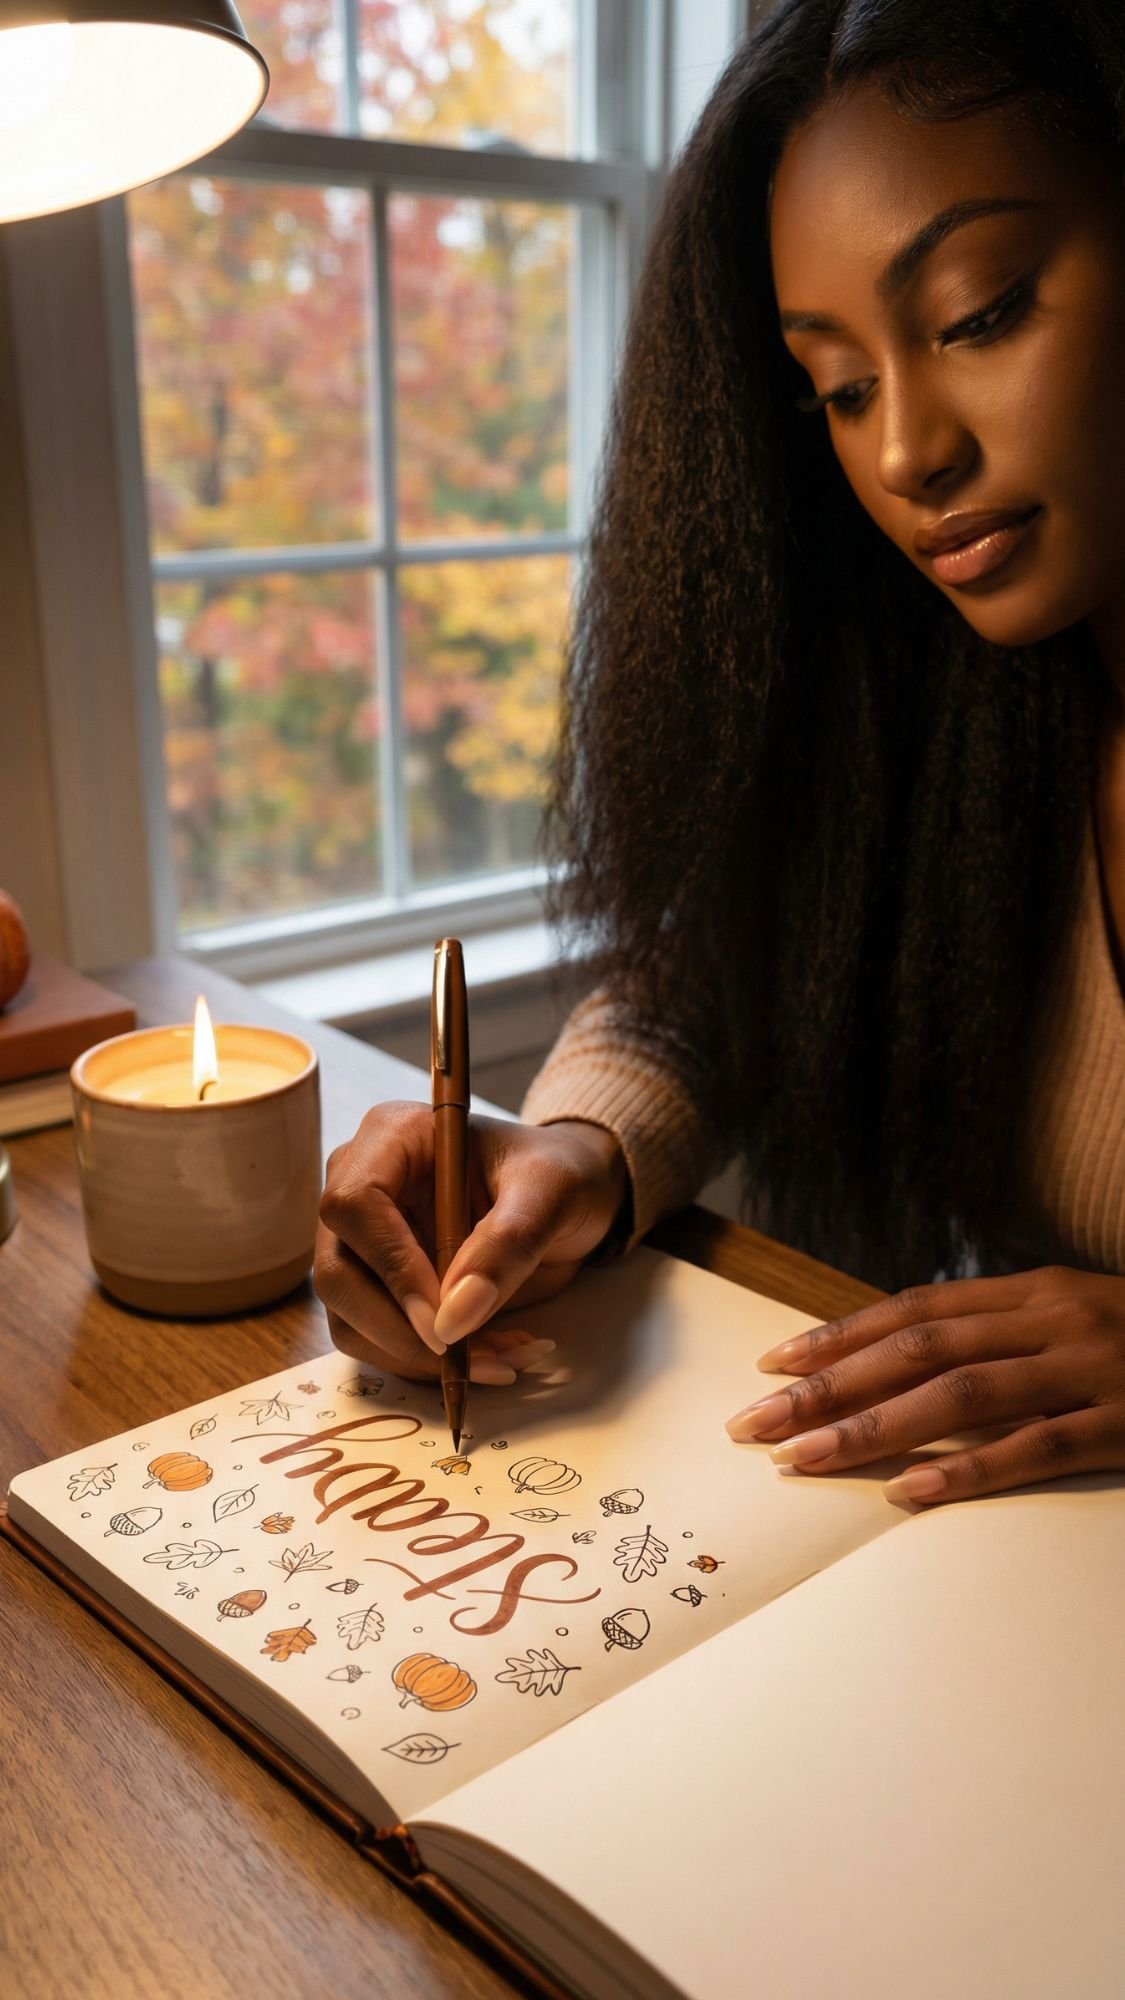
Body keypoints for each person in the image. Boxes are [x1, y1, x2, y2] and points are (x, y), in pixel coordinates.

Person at [315, 0, 1125, 1509]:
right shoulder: (966, 702)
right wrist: (563, 1153)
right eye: (837, 387)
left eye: (976, 313)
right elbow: (731, 981)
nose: (904, 456)